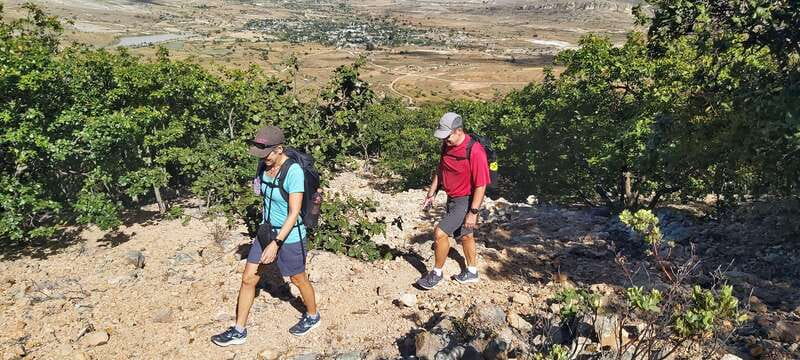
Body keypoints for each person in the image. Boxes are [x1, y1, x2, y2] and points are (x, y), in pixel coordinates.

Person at [211, 126, 320, 347]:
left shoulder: (293, 172)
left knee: (298, 278)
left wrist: (276, 243)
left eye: (267, 154)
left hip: (289, 235)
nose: (264, 159)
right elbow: (259, 192)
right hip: (265, 230)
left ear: (279, 149)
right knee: (248, 279)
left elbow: (294, 213)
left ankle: (312, 315)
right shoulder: (264, 164)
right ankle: (239, 330)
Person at [417, 112, 491, 290]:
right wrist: (432, 192)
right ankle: (472, 271)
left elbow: (481, 185)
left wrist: (473, 213)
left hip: (465, 200)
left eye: (447, 136)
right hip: (452, 198)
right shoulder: (447, 145)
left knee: (440, 233)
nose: (444, 140)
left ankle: (436, 273)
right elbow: (441, 168)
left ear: (458, 131)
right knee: (465, 235)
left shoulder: (475, 151)